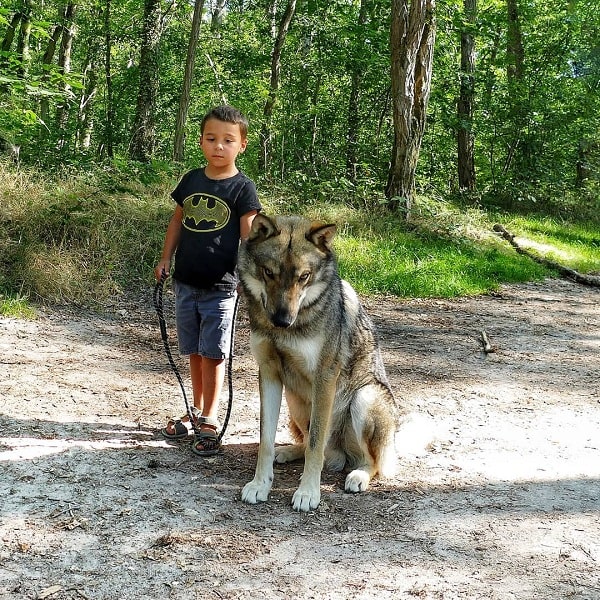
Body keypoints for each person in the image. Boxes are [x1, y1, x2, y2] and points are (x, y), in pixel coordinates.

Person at [154, 105, 261, 456]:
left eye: (228, 140)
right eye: (211, 138)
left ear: (241, 145)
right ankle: (196, 409)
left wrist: (253, 274)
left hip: (222, 286)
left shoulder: (243, 188)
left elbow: (250, 236)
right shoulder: (191, 180)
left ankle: (211, 417)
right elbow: (177, 221)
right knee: (195, 352)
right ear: (200, 141)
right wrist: (165, 257)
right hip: (185, 282)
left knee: (214, 354)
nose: (219, 146)